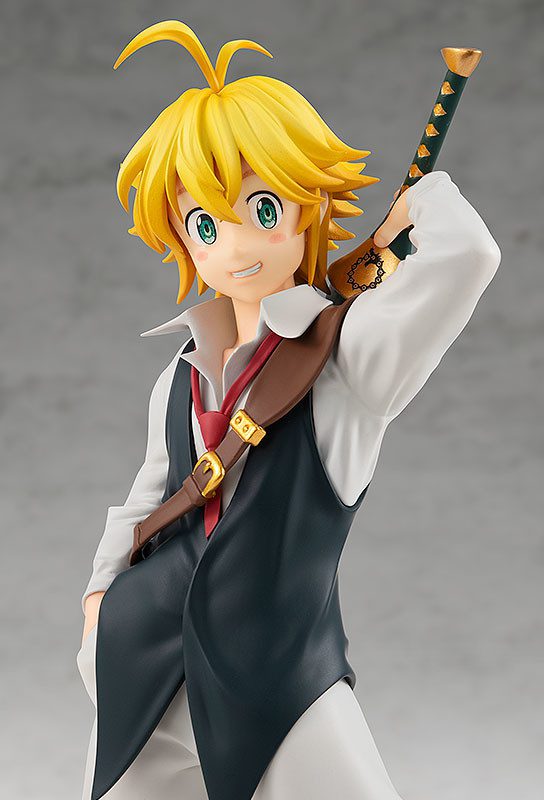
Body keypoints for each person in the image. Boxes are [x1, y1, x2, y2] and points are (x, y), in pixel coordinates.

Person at [77, 20, 501, 800]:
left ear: (309, 205)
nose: (236, 245)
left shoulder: (347, 359)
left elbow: (470, 255)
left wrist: (419, 204)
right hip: (147, 661)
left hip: (282, 678)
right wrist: (100, 601)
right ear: (183, 241)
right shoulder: (179, 375)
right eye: (206, 225)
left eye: (263, 208)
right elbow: (148, 498)